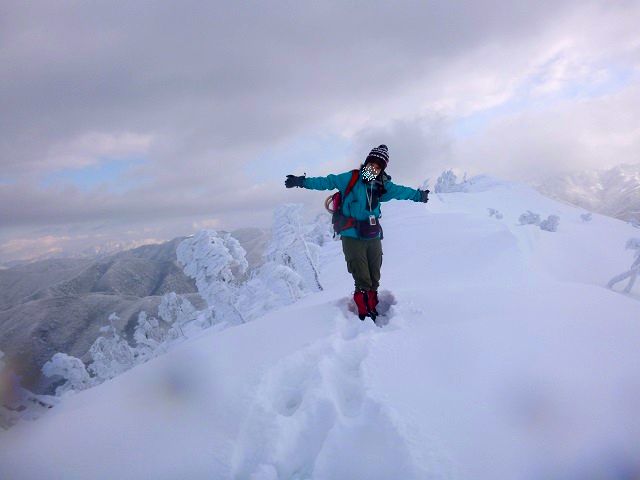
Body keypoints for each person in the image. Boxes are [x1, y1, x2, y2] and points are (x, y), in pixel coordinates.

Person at [285, 144, 429, 322]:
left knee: (374, 274)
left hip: (372, 234)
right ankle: (363, 312)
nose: (374, 168)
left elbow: (402, 191)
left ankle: (372, 305)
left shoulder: (383, 185)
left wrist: (419, 196)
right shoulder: (351, 178)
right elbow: (326, 181)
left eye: (378, 166)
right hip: (352, 234)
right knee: (362, 276)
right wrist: (301, 182)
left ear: (382, 169)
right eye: (372, 163)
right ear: (367, 162)